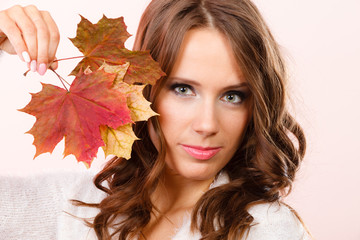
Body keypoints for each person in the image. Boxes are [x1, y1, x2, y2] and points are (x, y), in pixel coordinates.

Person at [0, 0, 312, 239]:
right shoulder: (74, 205)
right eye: (183, 89)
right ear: (144, 89)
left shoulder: (265, 228)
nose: (207, 125)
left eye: (232, 96)